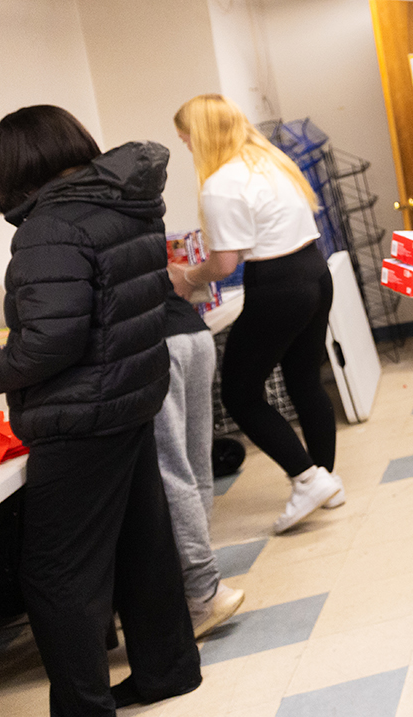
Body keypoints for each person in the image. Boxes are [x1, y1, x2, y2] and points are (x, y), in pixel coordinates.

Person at [0, 106, 202, 716]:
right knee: (143, 545)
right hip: (128, 396)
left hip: (80, 414)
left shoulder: (50, 225)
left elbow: (48, 345)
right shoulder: (122, 202)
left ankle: (83, 707)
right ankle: (167, 671)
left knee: (58, 573)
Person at [169, 95, 342, 535]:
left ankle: (306, 479)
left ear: (203, 135)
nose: (186, 144)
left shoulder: (221, 184)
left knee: (241, 394)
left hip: (278, 285)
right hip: (314, 272)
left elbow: (225, 264)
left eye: (186, 136)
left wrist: (187, 277)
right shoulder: (270, 162)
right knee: (304, 379)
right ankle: (326, 479)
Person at [156, 274, 246, 636]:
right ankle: (202, 582)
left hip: (159, 344)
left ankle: (203, 591)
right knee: (195, 465)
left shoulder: (68, 228)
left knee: (171, 469)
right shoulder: (133, 216)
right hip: (192, 331)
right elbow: (176, 276)